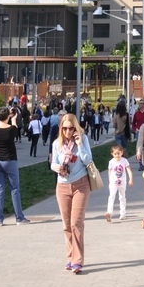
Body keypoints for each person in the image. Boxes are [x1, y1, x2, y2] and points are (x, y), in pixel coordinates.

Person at [52, 113, 93, 274]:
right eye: (65, 128)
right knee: (66, 225)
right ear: (61, 128)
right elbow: (54, 162)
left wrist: (80, 144)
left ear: (76, 128)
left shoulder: (83, 140)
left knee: (76, 223)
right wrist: (56, 168)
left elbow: (88, 160)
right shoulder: (57, 143)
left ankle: (77, 260)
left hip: (80, 185)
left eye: (71, 128)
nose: (68, 131)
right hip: (62, 186)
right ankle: (70, 257)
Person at [0, 106, 29, 225]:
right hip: (10, 161)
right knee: (14, 189)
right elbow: (15, 132)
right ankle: (19, 218)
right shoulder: (11, 129)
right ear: (8, 116)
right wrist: (13, 121)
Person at [105, 143, 133, 223]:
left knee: (122, 197)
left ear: (122, 152)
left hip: (122, 182)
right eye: (115, 154)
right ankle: (109, 213)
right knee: (111, 196)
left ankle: (123, 213)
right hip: (113, 182)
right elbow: (109, 171)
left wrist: (130, 179)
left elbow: (129, 170)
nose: (117, 155)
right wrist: (110, 181)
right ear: (112, 154)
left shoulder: (124, 161)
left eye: (118, 153)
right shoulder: (111, 162)